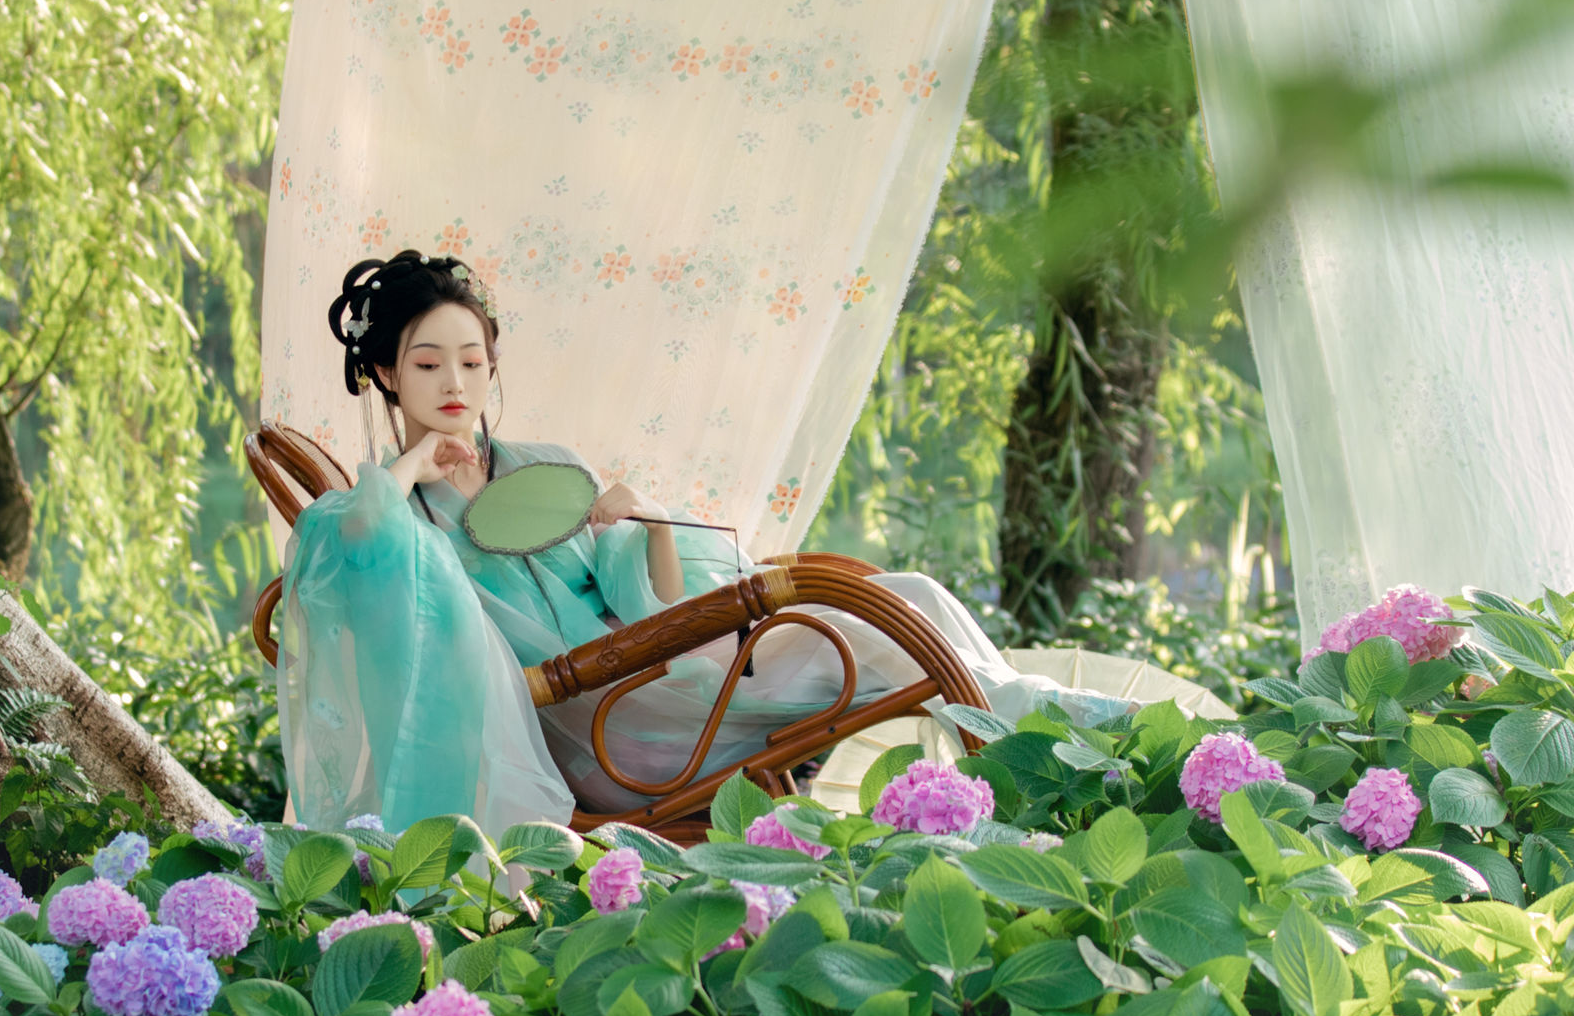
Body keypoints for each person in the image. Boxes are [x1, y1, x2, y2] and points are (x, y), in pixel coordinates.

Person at [278, 249, 1099, 829]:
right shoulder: (390, 517)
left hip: (669, 673)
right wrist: (418, 462)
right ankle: (1063, 738)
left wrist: (641, 521)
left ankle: (1033, 731)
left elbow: (660, 601)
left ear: (493, 366)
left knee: (909, 595)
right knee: (878, 626)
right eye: (427, 366)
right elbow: (355, 535)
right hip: (606, 730)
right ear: (386, 373)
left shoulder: (546, 469)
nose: (454, 384)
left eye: (472, 361)